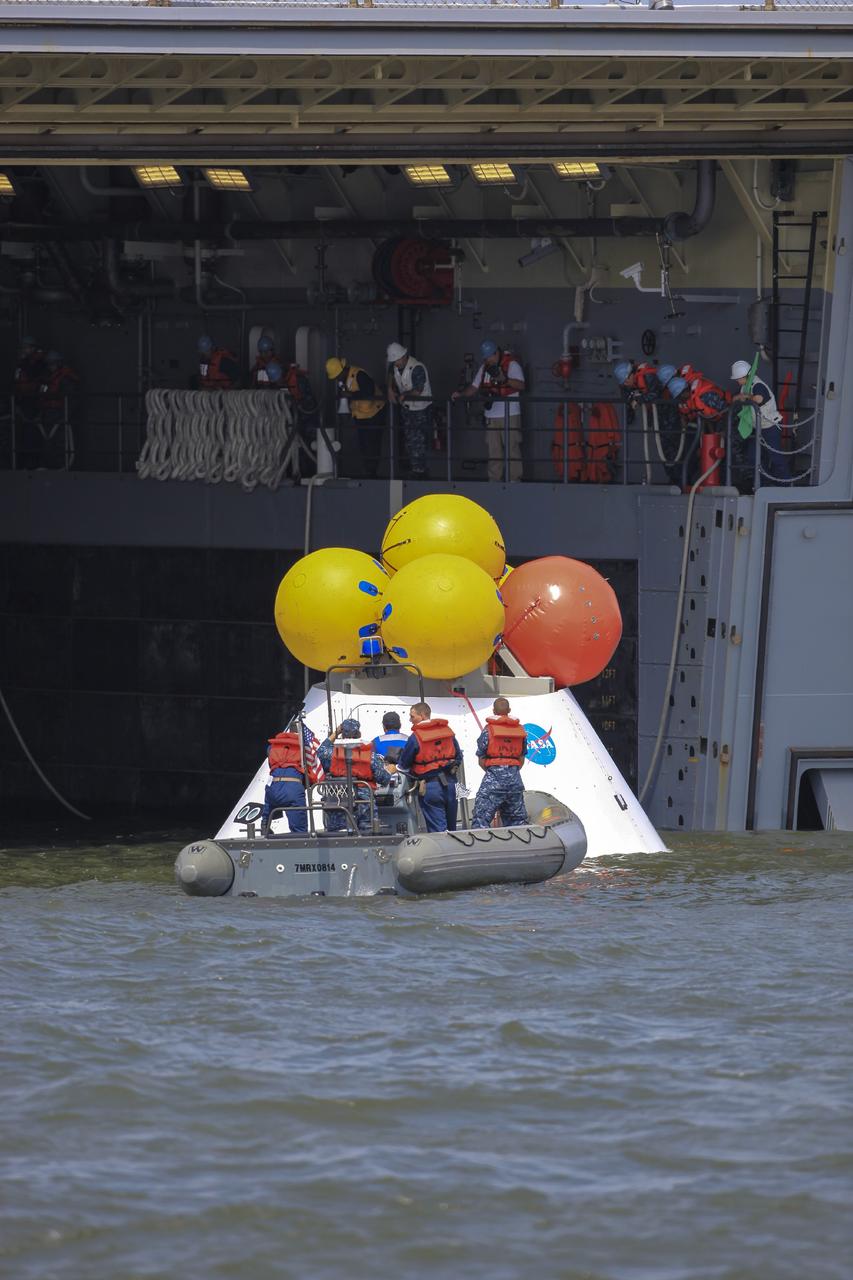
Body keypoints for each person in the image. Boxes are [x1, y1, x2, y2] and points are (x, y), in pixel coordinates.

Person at [452, 339, 525, 482]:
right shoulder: (484, 367)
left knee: (512, 449)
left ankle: (515, 480)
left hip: (510, 414)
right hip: (491, 415)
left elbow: (521, 385)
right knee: (494, 451)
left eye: (489, 357)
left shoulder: (512, 365)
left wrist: (504, 379)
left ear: (496, 353)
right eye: (485, 358)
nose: (488, 360)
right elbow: (474, 387)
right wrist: (461, 395)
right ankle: (494, 481)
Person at [396, 702, 463, 833]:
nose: (410, 720)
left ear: (422, 715)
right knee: (453, 830)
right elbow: (459, 756)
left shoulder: (415, 737)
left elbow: (403, 766)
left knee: (438, 832)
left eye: (412, 716)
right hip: (452, 785)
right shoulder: (447, 732)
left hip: (431, 787)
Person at [317, 717, 393, 833]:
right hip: (365, 804)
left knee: (339, 834)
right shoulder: (371, 757)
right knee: (368, 833)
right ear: (359, 734)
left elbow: (321, 750)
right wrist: (390, 770)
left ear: (342, 733)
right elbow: (384, 779)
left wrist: (336, 732)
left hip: (338, 801)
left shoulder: (330, 754)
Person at [471, 697, 529, 830]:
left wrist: (495, 772)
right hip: (515, 780)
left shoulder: (488, 730)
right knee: (518, 821)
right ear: (509, 710)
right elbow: (521, 758)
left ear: (493, 711)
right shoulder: (520, 731)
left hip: (493, 780)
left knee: (481, 818)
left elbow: (481, 758)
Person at [325, 356, 387, 479]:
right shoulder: (344, 381)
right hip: (361, 415)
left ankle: (372, 472)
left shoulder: (359, 375)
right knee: (364, 444)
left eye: (337, 376)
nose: (337, 379)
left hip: (375, 413)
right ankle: (368, 471)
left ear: (343, 370)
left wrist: (350, 394)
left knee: (372, 444)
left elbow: (368, 392)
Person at [730, 358, 789, 487]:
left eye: (737, 378)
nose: (736, 381)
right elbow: (737, 398)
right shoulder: (745, 386)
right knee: (753, 457)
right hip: (758, 428)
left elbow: (759, 398)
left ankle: (785, 487)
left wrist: (746, 397)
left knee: (776, 458)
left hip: (770, 427)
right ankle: (765, 485)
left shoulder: (757, 385)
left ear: (744, 376)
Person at [387, 342, 432, 479]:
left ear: (404, 356)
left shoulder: (417, 368)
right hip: (407, 409)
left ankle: (420, 472)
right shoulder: (395, 367)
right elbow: (390, 374)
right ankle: (416, 468)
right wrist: (390, 389)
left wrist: (404, 395)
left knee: (418, 441)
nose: (395, 364)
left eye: (397, 360)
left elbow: (418, 390)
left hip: (421, 409)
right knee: (410, 440)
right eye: (393, 361)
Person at [261, 727, 308, 837]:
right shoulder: (302, 749)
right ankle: (300, 841)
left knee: (269, 800)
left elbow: (271, 766)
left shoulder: (272, 748)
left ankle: (265, 825)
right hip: (293, 788)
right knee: (300, 831)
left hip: (274, 786)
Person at [36, 351, 79, 469]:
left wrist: (64, 416)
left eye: (53, 364)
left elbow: (71, 399)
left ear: (59, 364)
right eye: (49, 364)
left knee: (60, 443)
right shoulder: (46, 378)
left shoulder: (65, 379)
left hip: (58, 416)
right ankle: (47, 466)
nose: (51, 367)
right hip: (46, 416)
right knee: (46, 443)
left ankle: (61, 467)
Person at [12, 336, 45, 426]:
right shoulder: (23, 362)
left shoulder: (39, 362)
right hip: (23, 399)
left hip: (33, 400)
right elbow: (16, 381)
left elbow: (35, 377)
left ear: (33, 348)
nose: (23, 349)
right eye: (22, 347)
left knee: (32, 428)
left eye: (25, 347)